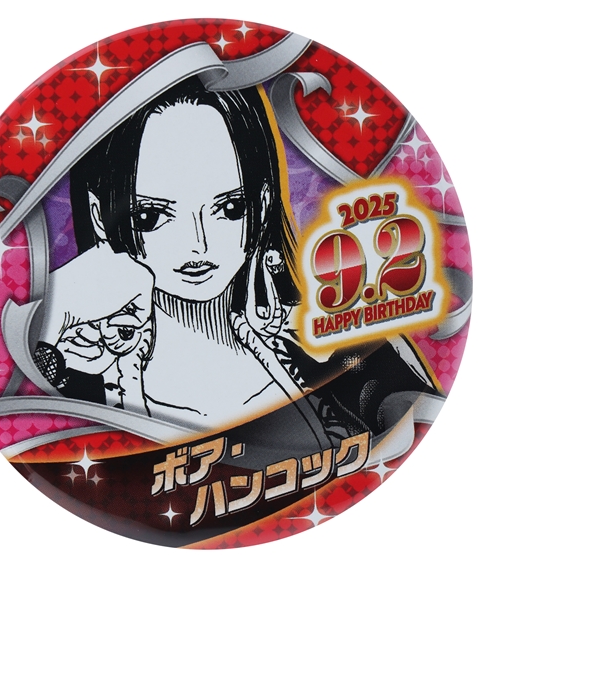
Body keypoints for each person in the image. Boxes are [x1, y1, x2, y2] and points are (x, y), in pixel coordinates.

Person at [33, 77, 437, 443]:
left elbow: (416, 428)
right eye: (152, 216)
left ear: (263, 203)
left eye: (229, 208)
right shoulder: (76, 374)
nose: (198, 244)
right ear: (101, 217)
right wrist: (47, 326)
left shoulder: (332, 346)